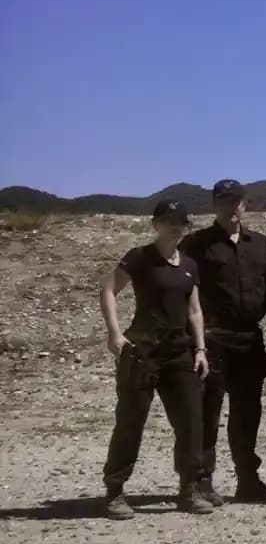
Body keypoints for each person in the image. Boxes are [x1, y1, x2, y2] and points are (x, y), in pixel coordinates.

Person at [99, 200, 212, 519]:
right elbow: (108, 290)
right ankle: (115, 491)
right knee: (131, 420)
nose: (174, 226)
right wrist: (114, 333)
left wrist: (201, 349)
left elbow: (194, 310)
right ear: (155, 224)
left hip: (180, 352)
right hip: (143, 351)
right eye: (168, 221)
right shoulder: (140, 258)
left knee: (191, 421)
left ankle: (189, 489)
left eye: (180, 221)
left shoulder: (189, 264)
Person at [179, 179, 266, 505]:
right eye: (224, 200)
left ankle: (248, 479)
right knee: (207, 412)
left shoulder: (260, 245)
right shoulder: (196, 245)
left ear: (245, 205)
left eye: (236, 201)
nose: (231, 206)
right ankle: (201, 481)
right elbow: (181, 291)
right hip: (213, 337)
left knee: (247, 412)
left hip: (250, 340)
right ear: (214, 205)